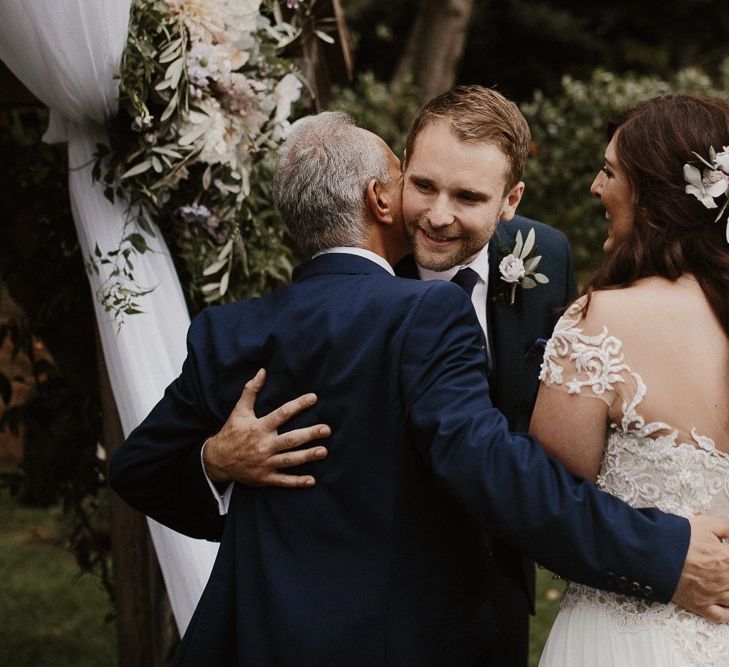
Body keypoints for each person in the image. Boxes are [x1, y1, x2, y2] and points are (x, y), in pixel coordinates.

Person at [110, 110, 729, 666]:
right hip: (398, 636)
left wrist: (211, 462)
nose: (434, 210)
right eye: (415, 183)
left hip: (253, 639)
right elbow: (491, 466)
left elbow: (138, 467)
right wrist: (663, 552)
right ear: (384, 197)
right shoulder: (426, 313)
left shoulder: (227, 331)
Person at [217, 85, 577, 666]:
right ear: (400, 173)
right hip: (385, 588)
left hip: (499, 574)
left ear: (510, 200)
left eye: (467, 196)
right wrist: (217, 456)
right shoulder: (358, 270)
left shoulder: (548, 257)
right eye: (425, 185)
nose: (437, 216)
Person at [533, 93, 729, 665]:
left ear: (651, 196)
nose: (596, 187)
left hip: (619, 637)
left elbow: (549, 496)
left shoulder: (602, 320)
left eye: (610, 171)